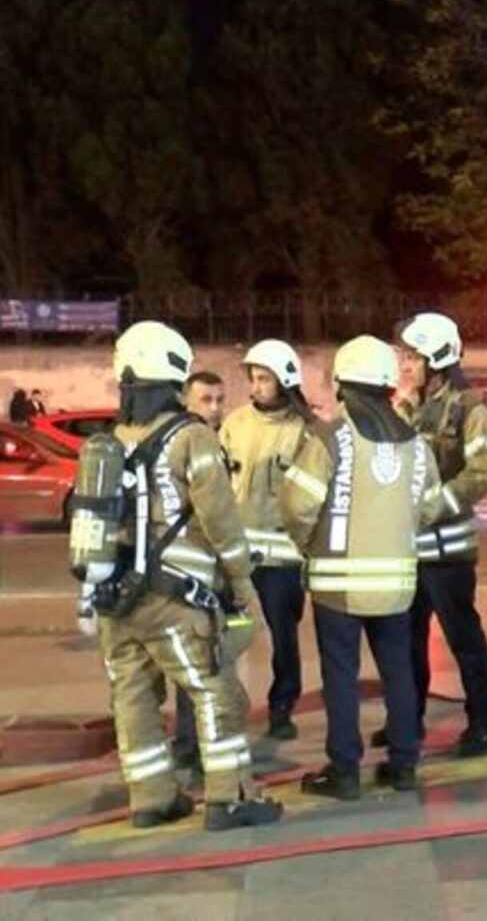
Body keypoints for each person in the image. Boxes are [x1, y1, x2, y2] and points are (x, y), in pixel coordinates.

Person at [72, 321, 282, 831]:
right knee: (215, 691)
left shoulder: (110, 441)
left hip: (115, 601)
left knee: (133, 695)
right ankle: (229, 798)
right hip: (175, 601)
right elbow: (220, 521)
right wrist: (242, 582)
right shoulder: (191, 437)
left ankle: (152, 798)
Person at [281, 336, 443, 800]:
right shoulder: (417, 445)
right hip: (397, 585)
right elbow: (430, 507)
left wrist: (308, 544)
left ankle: (345, 770)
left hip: (338, 584)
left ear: (342, 385)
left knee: (341, 675)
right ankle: (404, 765)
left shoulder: (329, 438)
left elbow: (298, 506)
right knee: (399, 671)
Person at [372, 311, 487, 758]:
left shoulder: (470, 411)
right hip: (408, 551)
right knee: (406, 642)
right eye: (402, 356)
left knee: (464, 640)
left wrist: (435, 505)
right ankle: (408, 720)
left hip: (448, 552)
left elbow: (483, 471)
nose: (404, 365)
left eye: (412, 357)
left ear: (437, 360)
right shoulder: (402, 406)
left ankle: (481, 723)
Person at [221, 340, 312, 740]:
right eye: (253, 378)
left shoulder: (305, 431)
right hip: (237, 554)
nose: (255, 386)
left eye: (264, 379)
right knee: (228, 632)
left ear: (285, 381)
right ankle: (227, 707)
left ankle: (282, 708)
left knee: (284, 639)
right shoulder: (235, 424)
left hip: (283, 558)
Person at [172, 369, 230, 772]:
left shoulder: (215, 440)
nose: (214, 408)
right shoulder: (188, 443)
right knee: (198, 663)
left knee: (208, 661)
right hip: (189, 571)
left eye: (219, 400)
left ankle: (195, 742)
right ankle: (193, 745)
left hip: (205, 569)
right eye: (206, 400)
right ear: (186, 400)